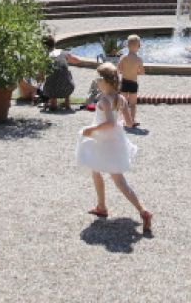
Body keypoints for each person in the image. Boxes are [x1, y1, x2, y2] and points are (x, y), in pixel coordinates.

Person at [75, 63, 152, 235]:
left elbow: (109, 122)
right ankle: (137, 209)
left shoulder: (104, 100)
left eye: (97, 79)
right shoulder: (121, 98)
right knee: (113, 177)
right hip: (115, 140)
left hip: (103, 140)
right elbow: (130, 123)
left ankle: (135, 209)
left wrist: (91, 129)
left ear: (104, 81)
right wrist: (121, 122)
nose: (96, 82)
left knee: (104, 173)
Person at [38, 35, 75, 111]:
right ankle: (67, 102)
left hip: (50, 90)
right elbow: (76, 60)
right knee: (68, 73)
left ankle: (53, 103)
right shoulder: (63, 52)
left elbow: (40, 77)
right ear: (54, 43)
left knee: (50, 78)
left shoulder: (44, 57)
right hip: (68, 89)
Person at [117, 35, 144, 128]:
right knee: (132, 104)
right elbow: (142, 72)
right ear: (138, 46)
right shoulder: (139, 59)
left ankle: (122, 119)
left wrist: (125, 70)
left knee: (123, 102)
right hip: (133, 83)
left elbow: (119, 69)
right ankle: (131, 121)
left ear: (127, 46)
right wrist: (136, 71)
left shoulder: (123, 58)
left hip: (124, 82)